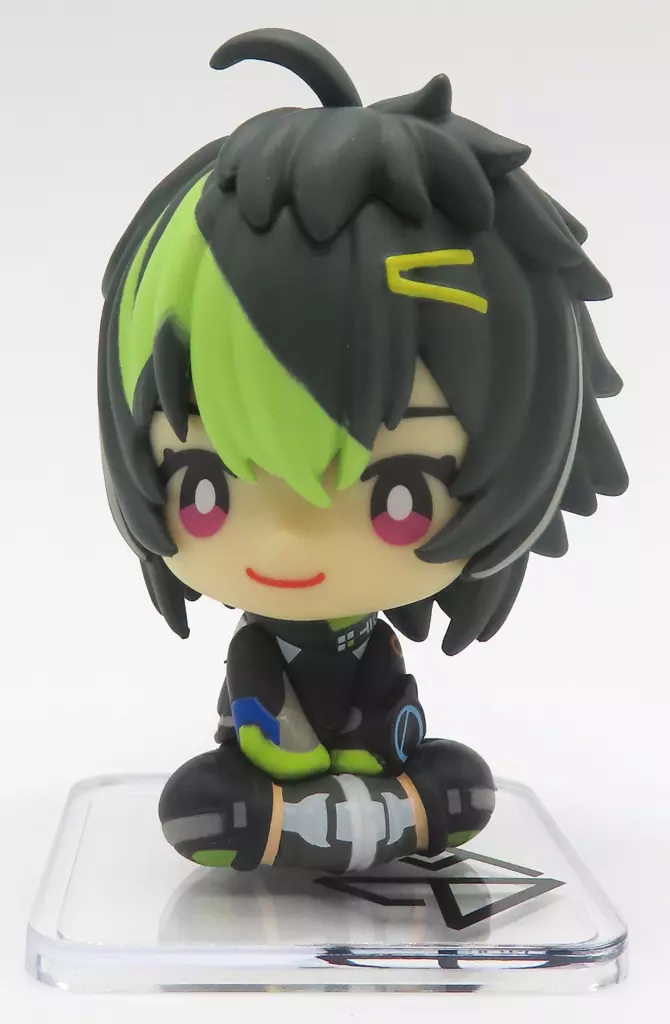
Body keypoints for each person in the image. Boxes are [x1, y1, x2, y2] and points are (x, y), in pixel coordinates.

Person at [98, 28, 628, 873]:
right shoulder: (258, 651)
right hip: (275, 774)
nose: (286, 544)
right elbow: (260, 713)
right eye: (203, 488)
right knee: (200, 806)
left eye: (399, 496)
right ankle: (320, 820)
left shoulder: (373, 646)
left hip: (366, 762)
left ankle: (340, 819)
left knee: (461, 784)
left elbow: (391, 700)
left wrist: (374, 749)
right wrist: (300, 763)